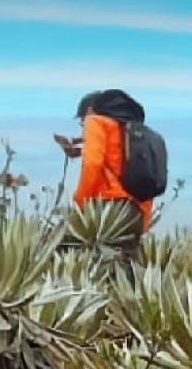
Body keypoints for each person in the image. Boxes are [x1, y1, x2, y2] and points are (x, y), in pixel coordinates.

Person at [64, 89, 155, 253]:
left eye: (82, 121)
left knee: (66, 251)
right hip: (135, 215)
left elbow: (93, 164)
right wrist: (144, 221)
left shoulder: (95, 121)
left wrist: (79, 203)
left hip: (108, 212)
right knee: (125, 270)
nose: (84, 125)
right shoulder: (132, 132)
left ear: (90, 110)